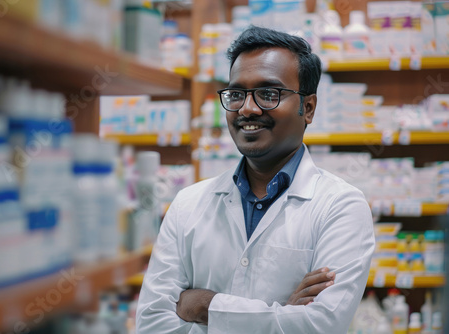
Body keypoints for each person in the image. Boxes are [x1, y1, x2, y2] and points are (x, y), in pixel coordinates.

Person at [136, 26, 375, 334]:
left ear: (309, 108)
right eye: (236, 94)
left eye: (268, 94)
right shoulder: (187, 204)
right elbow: (152, 324)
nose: (247, 109)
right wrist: (281, 315)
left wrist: (206, 306)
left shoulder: (341, 206)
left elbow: (320, 325)